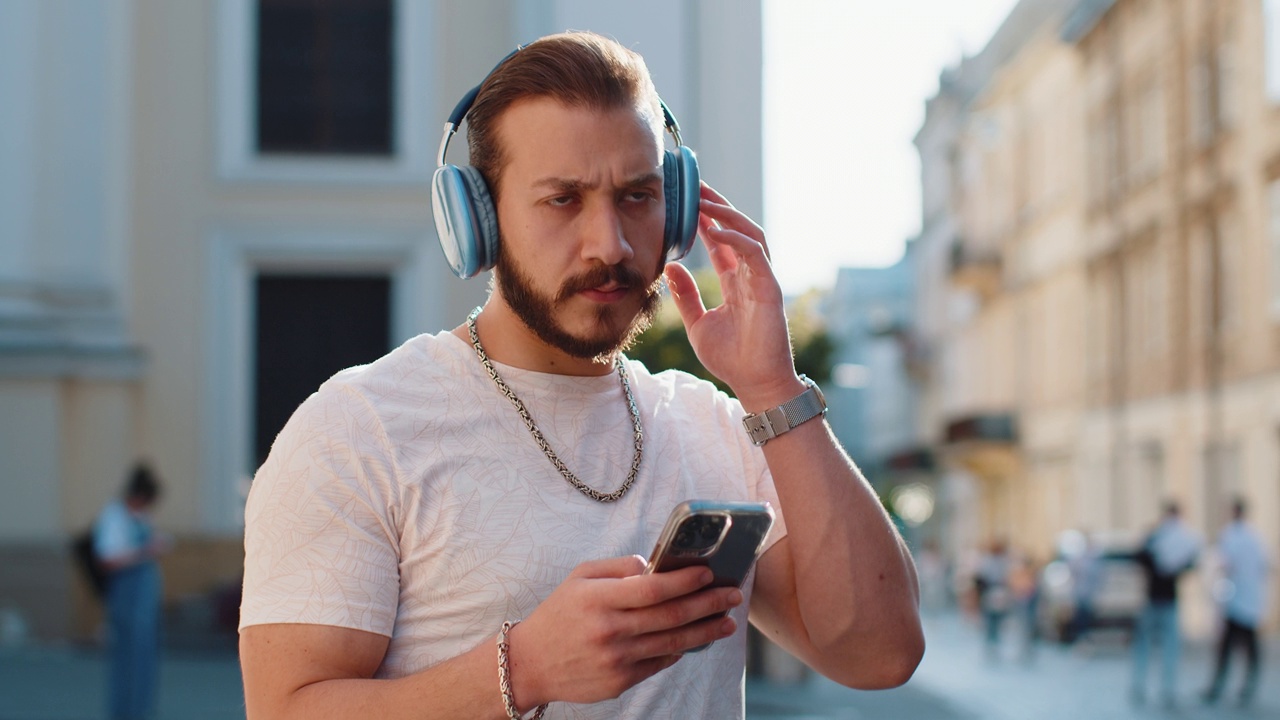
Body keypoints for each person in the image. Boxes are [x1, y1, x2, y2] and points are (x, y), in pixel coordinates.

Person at [238, 31, 923, 719]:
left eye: (637, 196)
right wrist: (524, 669)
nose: (612, 245)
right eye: (562, 200)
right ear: (479, 218)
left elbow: (879, 654)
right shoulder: (360, 429)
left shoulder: (718, 422)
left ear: (678, 208)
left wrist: (775, 388)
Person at [93, 463, 170, 720]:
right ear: (138, 496)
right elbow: (108, 560)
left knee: (145, 660)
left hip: (144, 601)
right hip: (127, 599)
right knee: (126, 660)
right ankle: (124, 712)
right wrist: (144, 551)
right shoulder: (114, 516)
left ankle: (141, 710)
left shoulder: (141, 516)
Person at [1130, 501, 1201, 708]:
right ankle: (1154, 687)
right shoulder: (1159, 536)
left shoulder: (1158, 536)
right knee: (1160, 647)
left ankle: (1150, 687)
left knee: (1153, 646)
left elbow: (1140, 557)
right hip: (1161, 599)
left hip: (1159, 599)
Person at [1201, 499, 1272, 707]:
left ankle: (1219, 687)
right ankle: (1247, 687)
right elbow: (1266, 566)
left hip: (1235, 601)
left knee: (1226, 649)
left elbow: (1223, 566)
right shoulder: (1255, 538)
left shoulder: (1230, 536)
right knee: (1250, 648)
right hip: (1250, 600)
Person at [973, 539, 1011, 662]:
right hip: (992, 592)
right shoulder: (991, 561)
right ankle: (991, 644)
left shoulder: (1000, 562)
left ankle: (993, 644)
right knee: (991, 620)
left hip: (996, 592)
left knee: (995, 620)